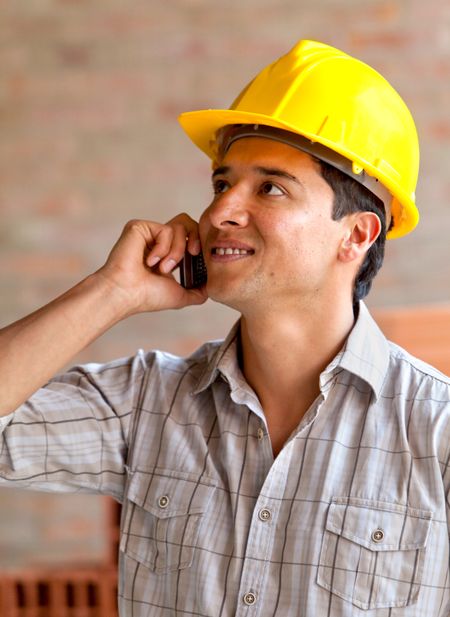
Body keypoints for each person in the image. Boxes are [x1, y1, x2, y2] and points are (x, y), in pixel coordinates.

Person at [0, 39, 449, 616]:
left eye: (270, 187)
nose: (219, 213)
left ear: (357, 235)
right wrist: (112, 292)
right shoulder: (146, 405)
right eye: (221, 184)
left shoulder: (434, 436)